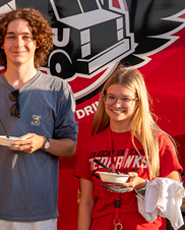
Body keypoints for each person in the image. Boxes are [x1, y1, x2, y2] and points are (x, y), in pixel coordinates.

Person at [0, 8, 78, 229]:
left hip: (40, 215)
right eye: (11, 36)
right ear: (1, 43)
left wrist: (43, 143)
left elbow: (70, 147)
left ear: (38, 43)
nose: (19, 43)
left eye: (27, 36)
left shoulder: (58, 89)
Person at [74, 66, 182, 230]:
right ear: (104, 99)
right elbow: (87, 202)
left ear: (138, 102)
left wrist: (142, 185)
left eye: (126, 99)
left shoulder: (158, 141)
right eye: (111, 97)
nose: (117, 105)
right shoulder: (91, 145)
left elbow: (176, 195)